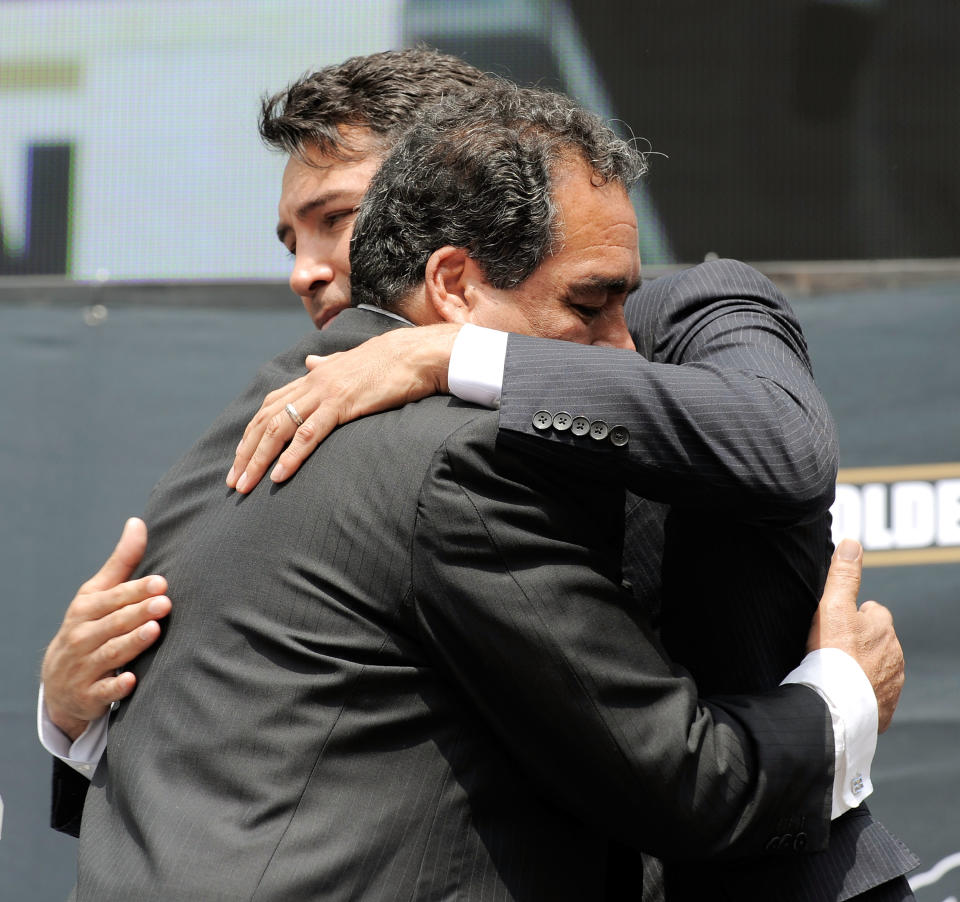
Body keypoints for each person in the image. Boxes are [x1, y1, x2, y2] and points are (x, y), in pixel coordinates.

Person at [38, 50, 915, 899]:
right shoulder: (296, 417)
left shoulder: (670, 314)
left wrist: (461, 354)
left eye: (340, 218)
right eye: (290, 235)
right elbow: (248, 757)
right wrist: (78, 715)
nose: (308, 267)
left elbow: (786, 447)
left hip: (761, 865)